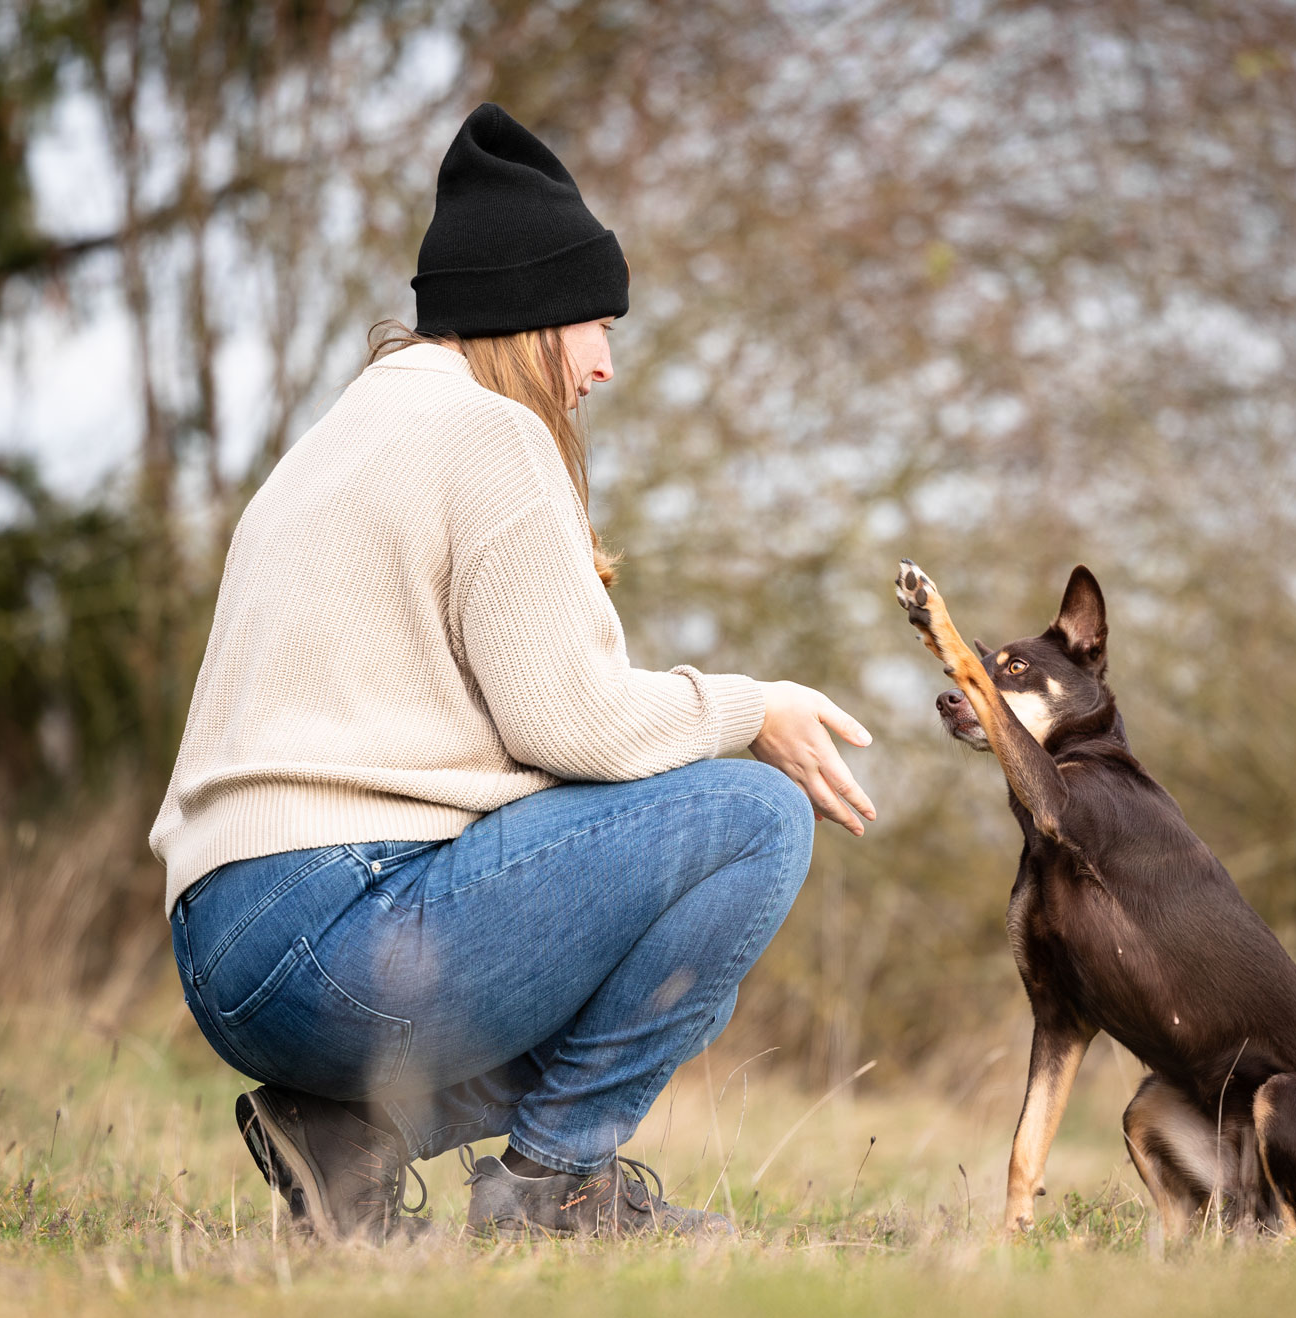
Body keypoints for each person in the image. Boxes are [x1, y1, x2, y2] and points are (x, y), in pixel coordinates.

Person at [149, 103, 876, 1241]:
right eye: (594, 322)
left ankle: (342, 1138)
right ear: (528, 314)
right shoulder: (488, 434)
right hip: (344, 927)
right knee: (749, 823)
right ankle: (555, 1190)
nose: (603, 363)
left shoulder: (343, 431)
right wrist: (752, 708)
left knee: (682, 957)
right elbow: (573, 725)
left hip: (225, 940)